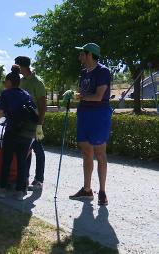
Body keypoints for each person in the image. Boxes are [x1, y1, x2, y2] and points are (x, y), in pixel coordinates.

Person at [0, 65, 37, 201]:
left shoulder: (6, 94)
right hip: (26, 133)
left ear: (9, 82)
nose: (4, 84)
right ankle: (20, 191)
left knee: (6, 160)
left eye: (4, 82)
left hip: (12, 131)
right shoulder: (26, 94)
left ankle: (2, 189)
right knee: (22, 162)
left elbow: (0, 112)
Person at [69, 43, 112, 206]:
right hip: (84, 114)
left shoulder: (103, 71)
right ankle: (87, 190)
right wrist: (74, 95)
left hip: (99, 115)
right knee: (86, 153)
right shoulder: (83, 72)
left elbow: (99, 96)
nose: (79, 56)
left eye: (81, 53)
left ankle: (102, 191)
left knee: (100, 153)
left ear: (89, 55)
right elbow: (83, 93)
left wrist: (81, 97)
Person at [15, 56, 47, 191]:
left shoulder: (37, 82)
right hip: (22, 123)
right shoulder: (20, 81)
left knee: (38, 150)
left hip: (34, 123)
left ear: (22, 67)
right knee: (25, 151)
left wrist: (40, 124)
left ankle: (39, 180)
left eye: (17, 66)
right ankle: (25, 178)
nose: (16, 68)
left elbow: (43, 106)